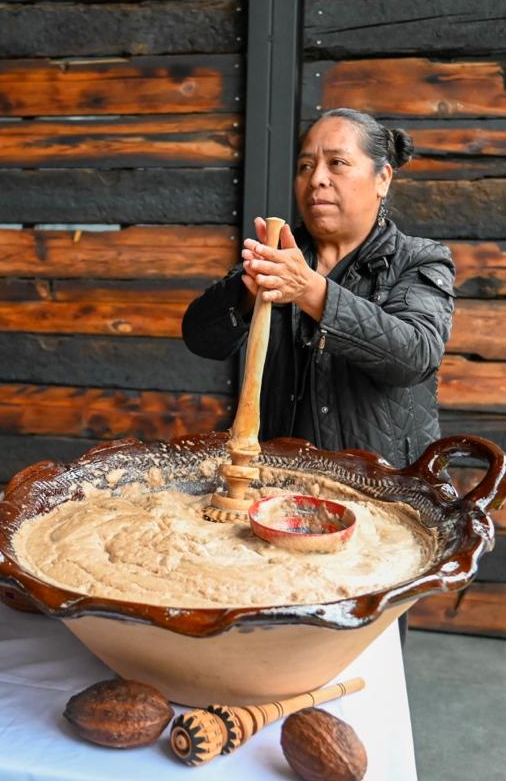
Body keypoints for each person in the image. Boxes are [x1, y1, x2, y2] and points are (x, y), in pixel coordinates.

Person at [181, 108, 457, 646]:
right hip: (274, 497)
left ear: (382, 178)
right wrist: (244, 290)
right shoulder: (284, 255)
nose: (317, 179)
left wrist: (313, 293)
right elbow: (200, 337)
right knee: (273, 640)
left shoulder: (419, 261)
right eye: (306, 166)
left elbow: (415, 353)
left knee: (359, 654)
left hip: (381, 508)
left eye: (337, 163)